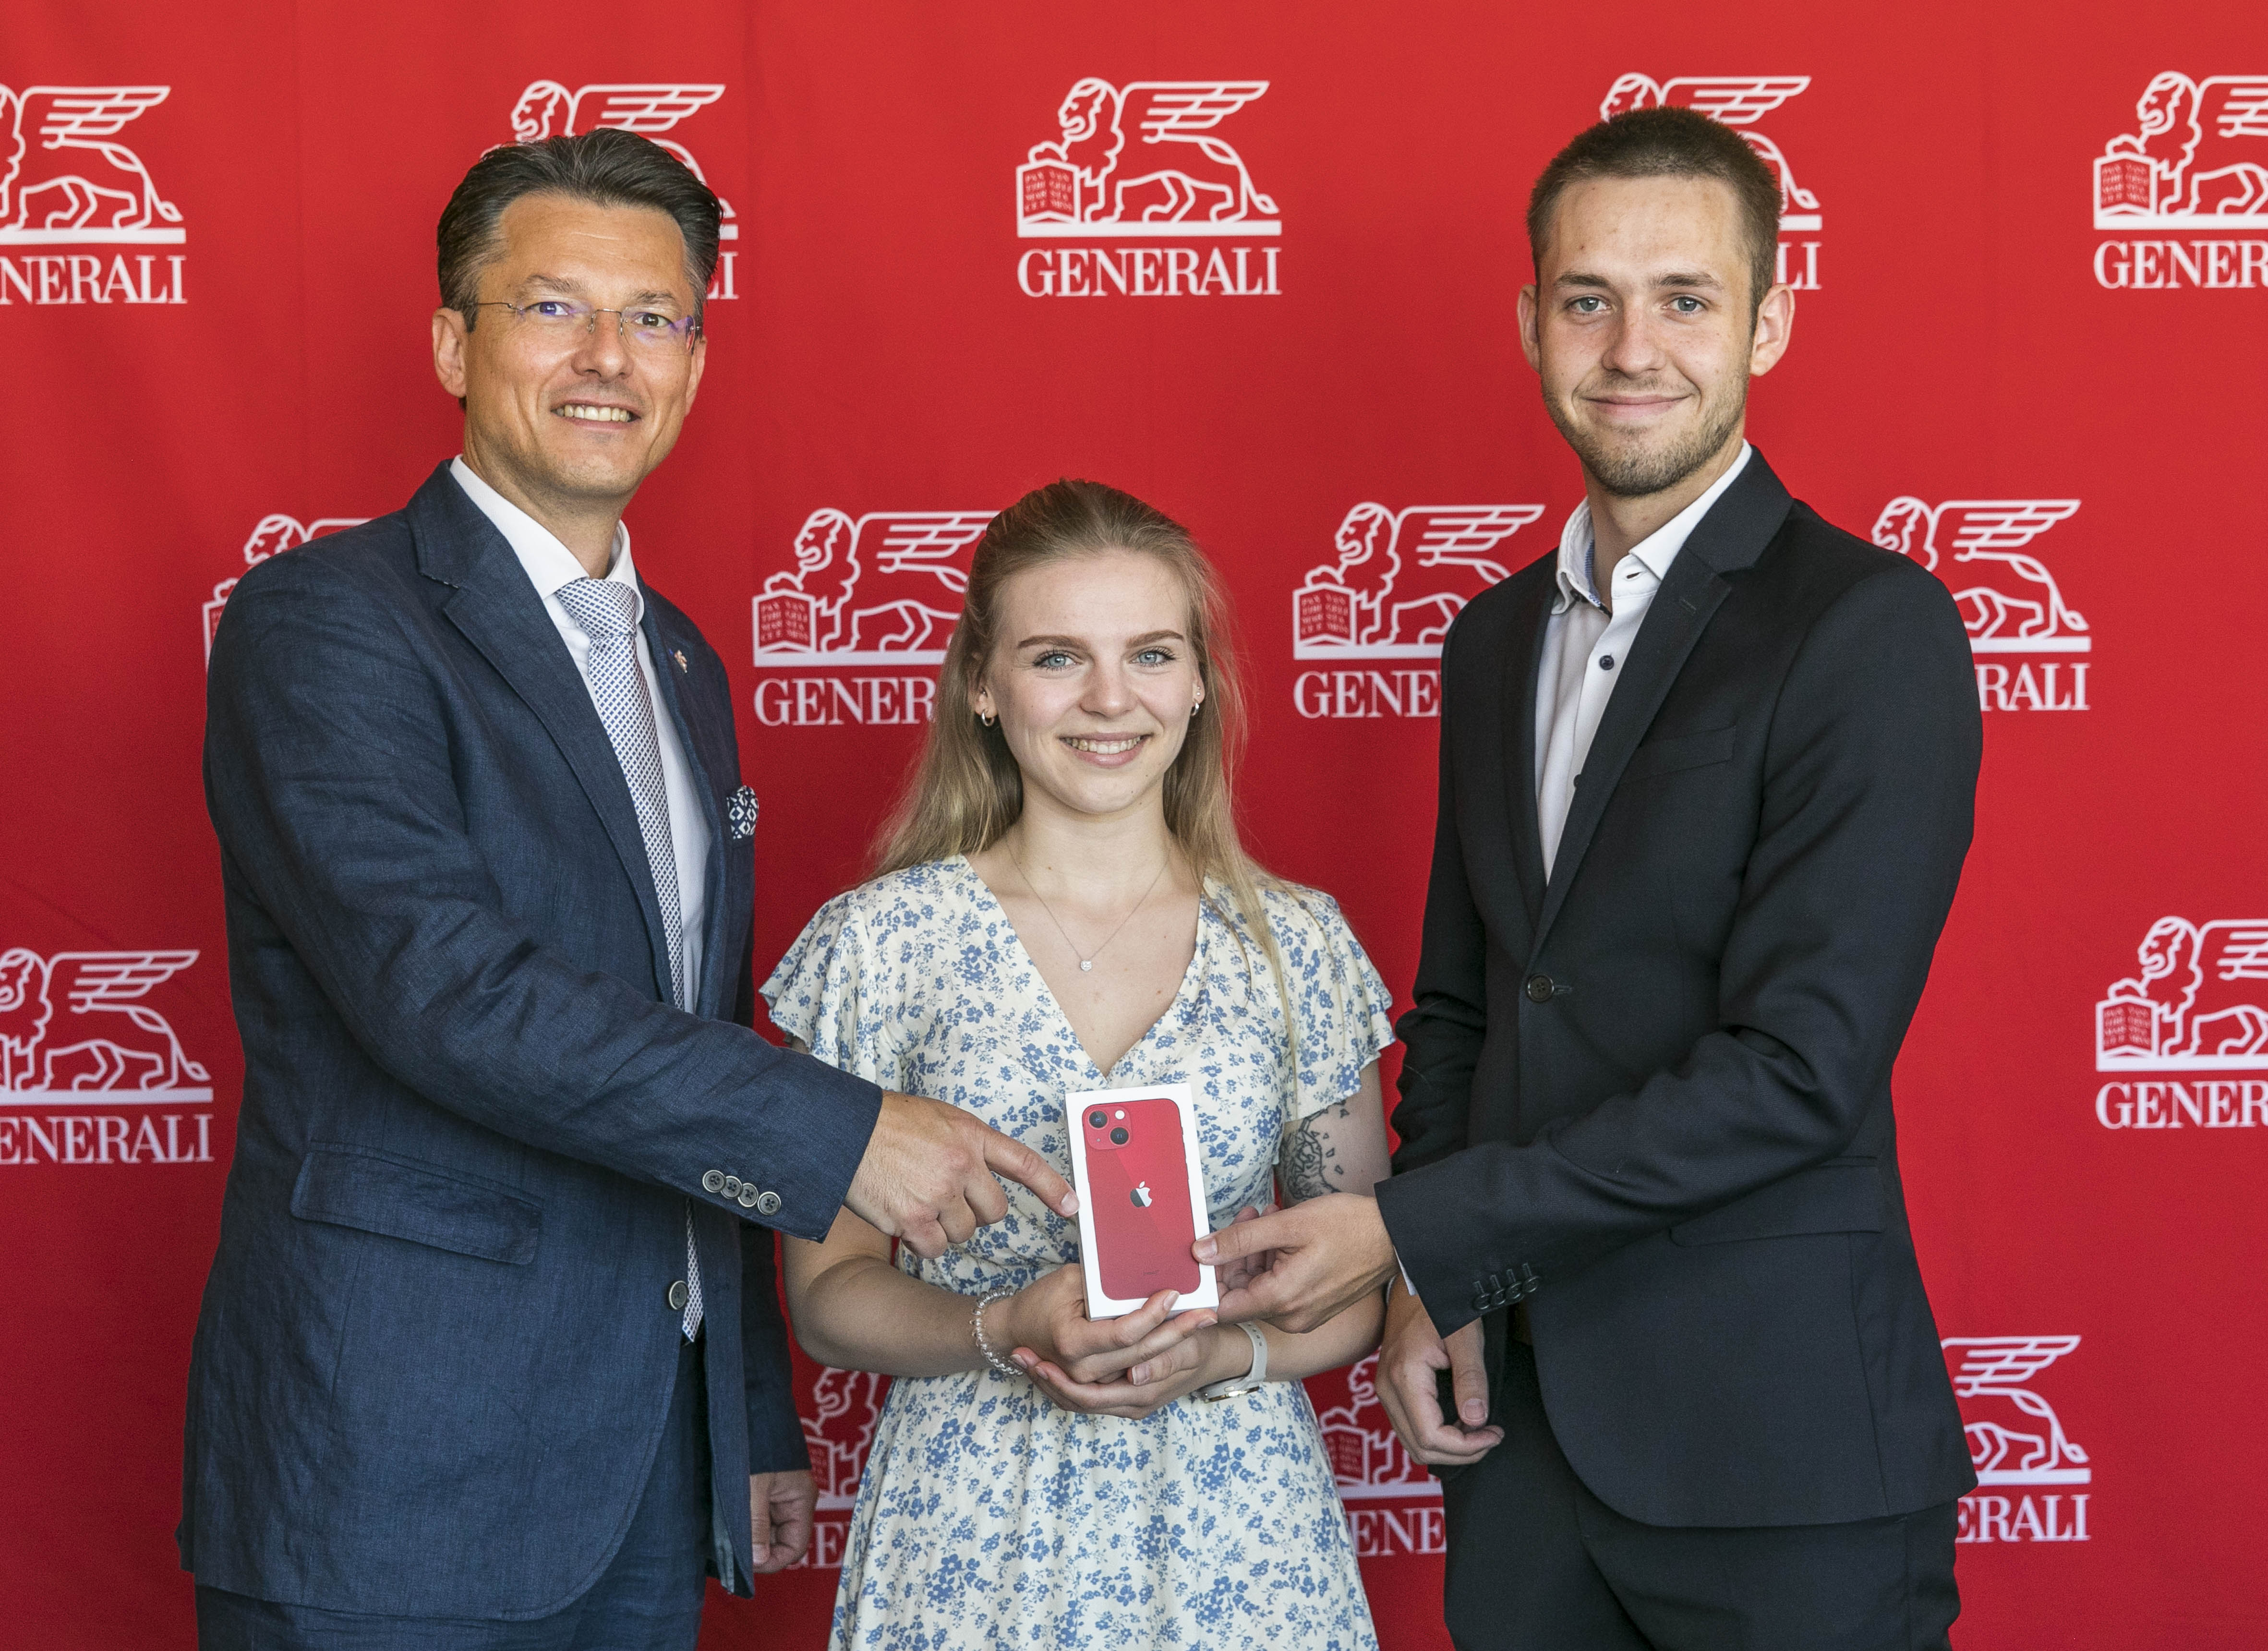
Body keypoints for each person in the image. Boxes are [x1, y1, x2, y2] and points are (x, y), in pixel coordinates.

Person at [185, 130, 1074, 1651]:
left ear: (697, 359)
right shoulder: (325, 624)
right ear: (454, 344)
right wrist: (847, 1134)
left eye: (656, 317)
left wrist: (748, 1412)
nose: (610, 357)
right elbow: (441, 991)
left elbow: (689, 1030)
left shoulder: (683, 666)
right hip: (391, 1469)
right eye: (553, 310)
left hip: (642, 1483)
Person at [1198, 108, 1982, 1648]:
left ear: (1768, 318)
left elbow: (1796, 1072)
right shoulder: (1491, 643)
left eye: (1684, 297)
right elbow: (1458, 1008)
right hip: (1523, 1444)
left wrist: (1418, 1235)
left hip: (1779, 1456)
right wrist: (1434, 1275)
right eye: (1587, 298)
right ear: (1530, 322)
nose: (1632, 347)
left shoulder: (1867, 628)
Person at [768, 480, 1393, 1651]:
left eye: (1150, 653)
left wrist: (1221, 1351)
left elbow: (1351, 1279)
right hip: (968, 1523)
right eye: (1058, 657)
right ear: (981, 686)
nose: (1111, 699)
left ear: (1198, 683)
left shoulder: (1294, 944)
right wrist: (1004, 1322)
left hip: (1238, 1527)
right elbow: (825, 1293)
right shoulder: (882, 944)